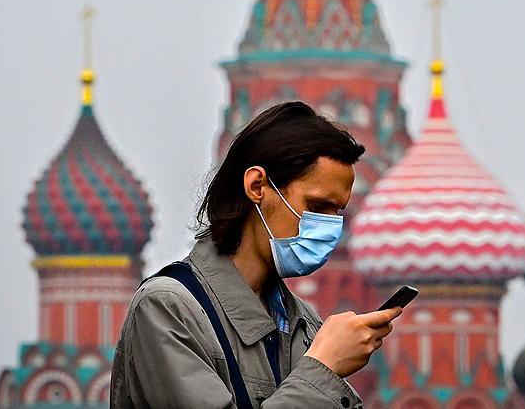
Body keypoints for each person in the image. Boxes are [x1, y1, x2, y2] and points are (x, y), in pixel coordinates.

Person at [111, 101, 401, 408]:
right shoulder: (169, 309)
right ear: (257, 186)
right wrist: (323, 369)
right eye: (316, 207)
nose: (330, 227)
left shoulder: (303, 322)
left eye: (338, 213)